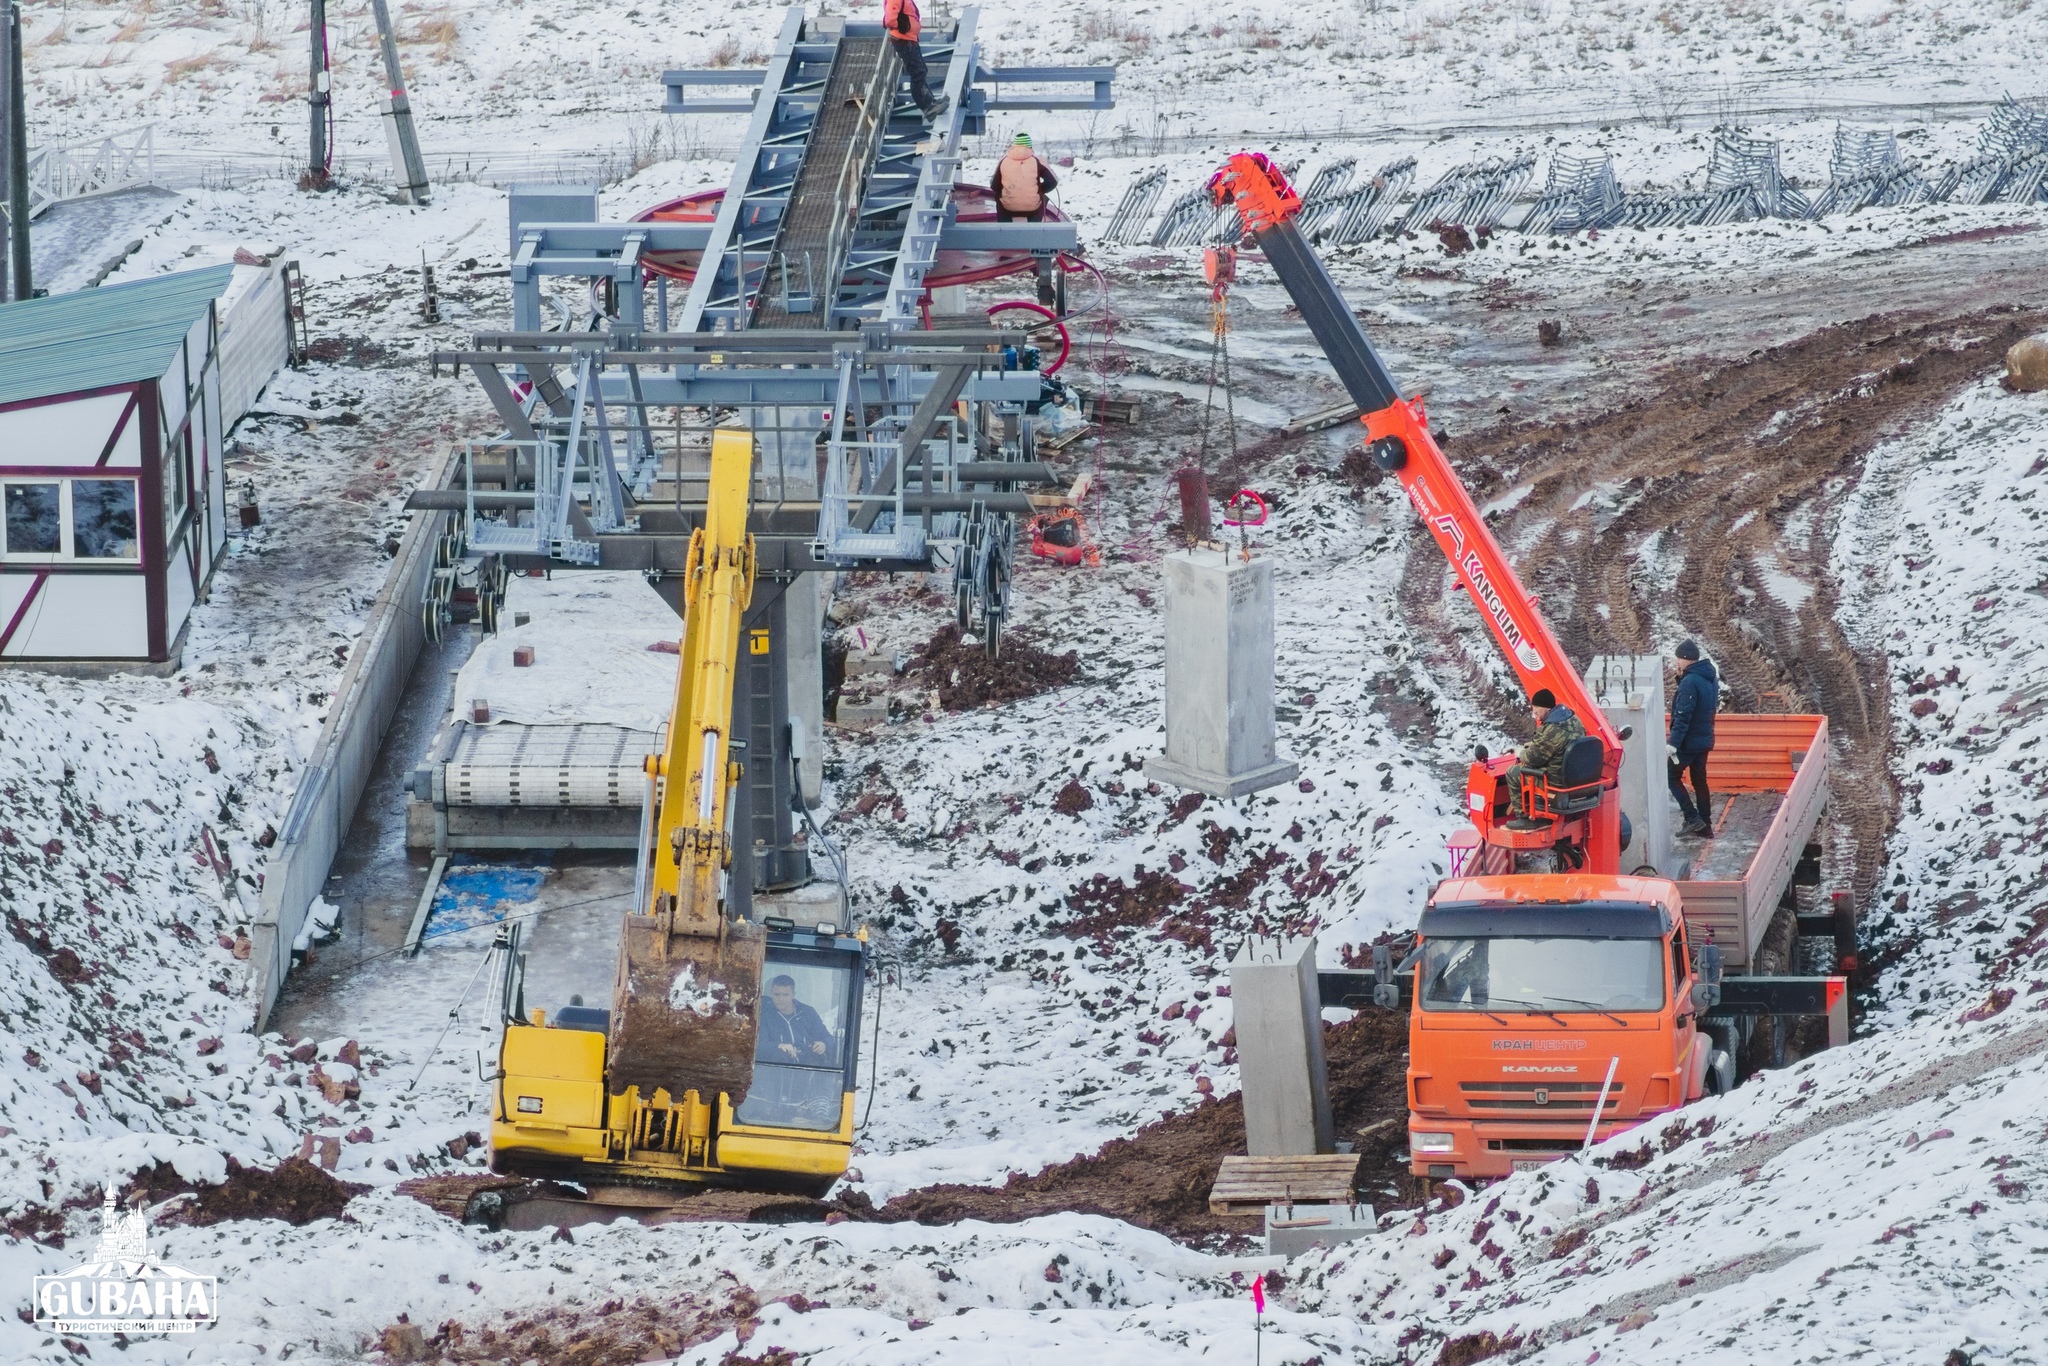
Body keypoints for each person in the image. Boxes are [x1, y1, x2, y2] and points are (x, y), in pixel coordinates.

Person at [1504, 688, 1586, 823]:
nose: (1534, 712)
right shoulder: (1574, 720)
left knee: (1513, 772)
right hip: (1575, 778)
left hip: (1555, 782)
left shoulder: (1550, 729)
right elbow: (1557, 743)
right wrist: (1534, 744)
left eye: (1537, 708)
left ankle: (1523, 818)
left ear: (1547, 708)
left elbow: (1532, 759)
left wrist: (1520, 752)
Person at [1667, 639, 1720, 838]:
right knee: (1699, 781)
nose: (1677, 662)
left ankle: (1692, 818)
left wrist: (1673, 743)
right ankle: (1705, 826)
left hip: (1689, 742)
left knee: (1671, 777)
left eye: (1679, 659)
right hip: (1704, 739)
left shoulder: (1690, 682)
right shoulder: (1709, 678)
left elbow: (1683, 715)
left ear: (1687, 659)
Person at [884, 0, 944, 121]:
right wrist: (902, 27)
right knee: (917, 73)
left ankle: (931, 101)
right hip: (903, 40)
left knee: (922, 70)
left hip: (909, 40)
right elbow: (890, 20)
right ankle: (927, 108)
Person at [756, 974, 834, 1066]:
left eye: (785, 995)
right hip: (775, 1069)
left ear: (793, 995)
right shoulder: (764, 1014)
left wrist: (824, 1044)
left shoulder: (808, 1013)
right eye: (777, 994)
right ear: (771, 993)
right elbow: (758, 1045)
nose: (780, 999)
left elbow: (828, 1038)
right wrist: (779, 1046)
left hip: (806, 1069)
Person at [991, 132, 1059, 223]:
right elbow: (1052, 181)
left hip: (1007, 208)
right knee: (1041, 199)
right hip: (1033, 208)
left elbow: (994, 186)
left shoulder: (1003, 161)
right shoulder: (1037, 161)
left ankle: (1004, 227)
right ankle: (1034, 226)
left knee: (999, 197)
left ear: (1015, 146)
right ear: (1030, 146)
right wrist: (1039, 190)